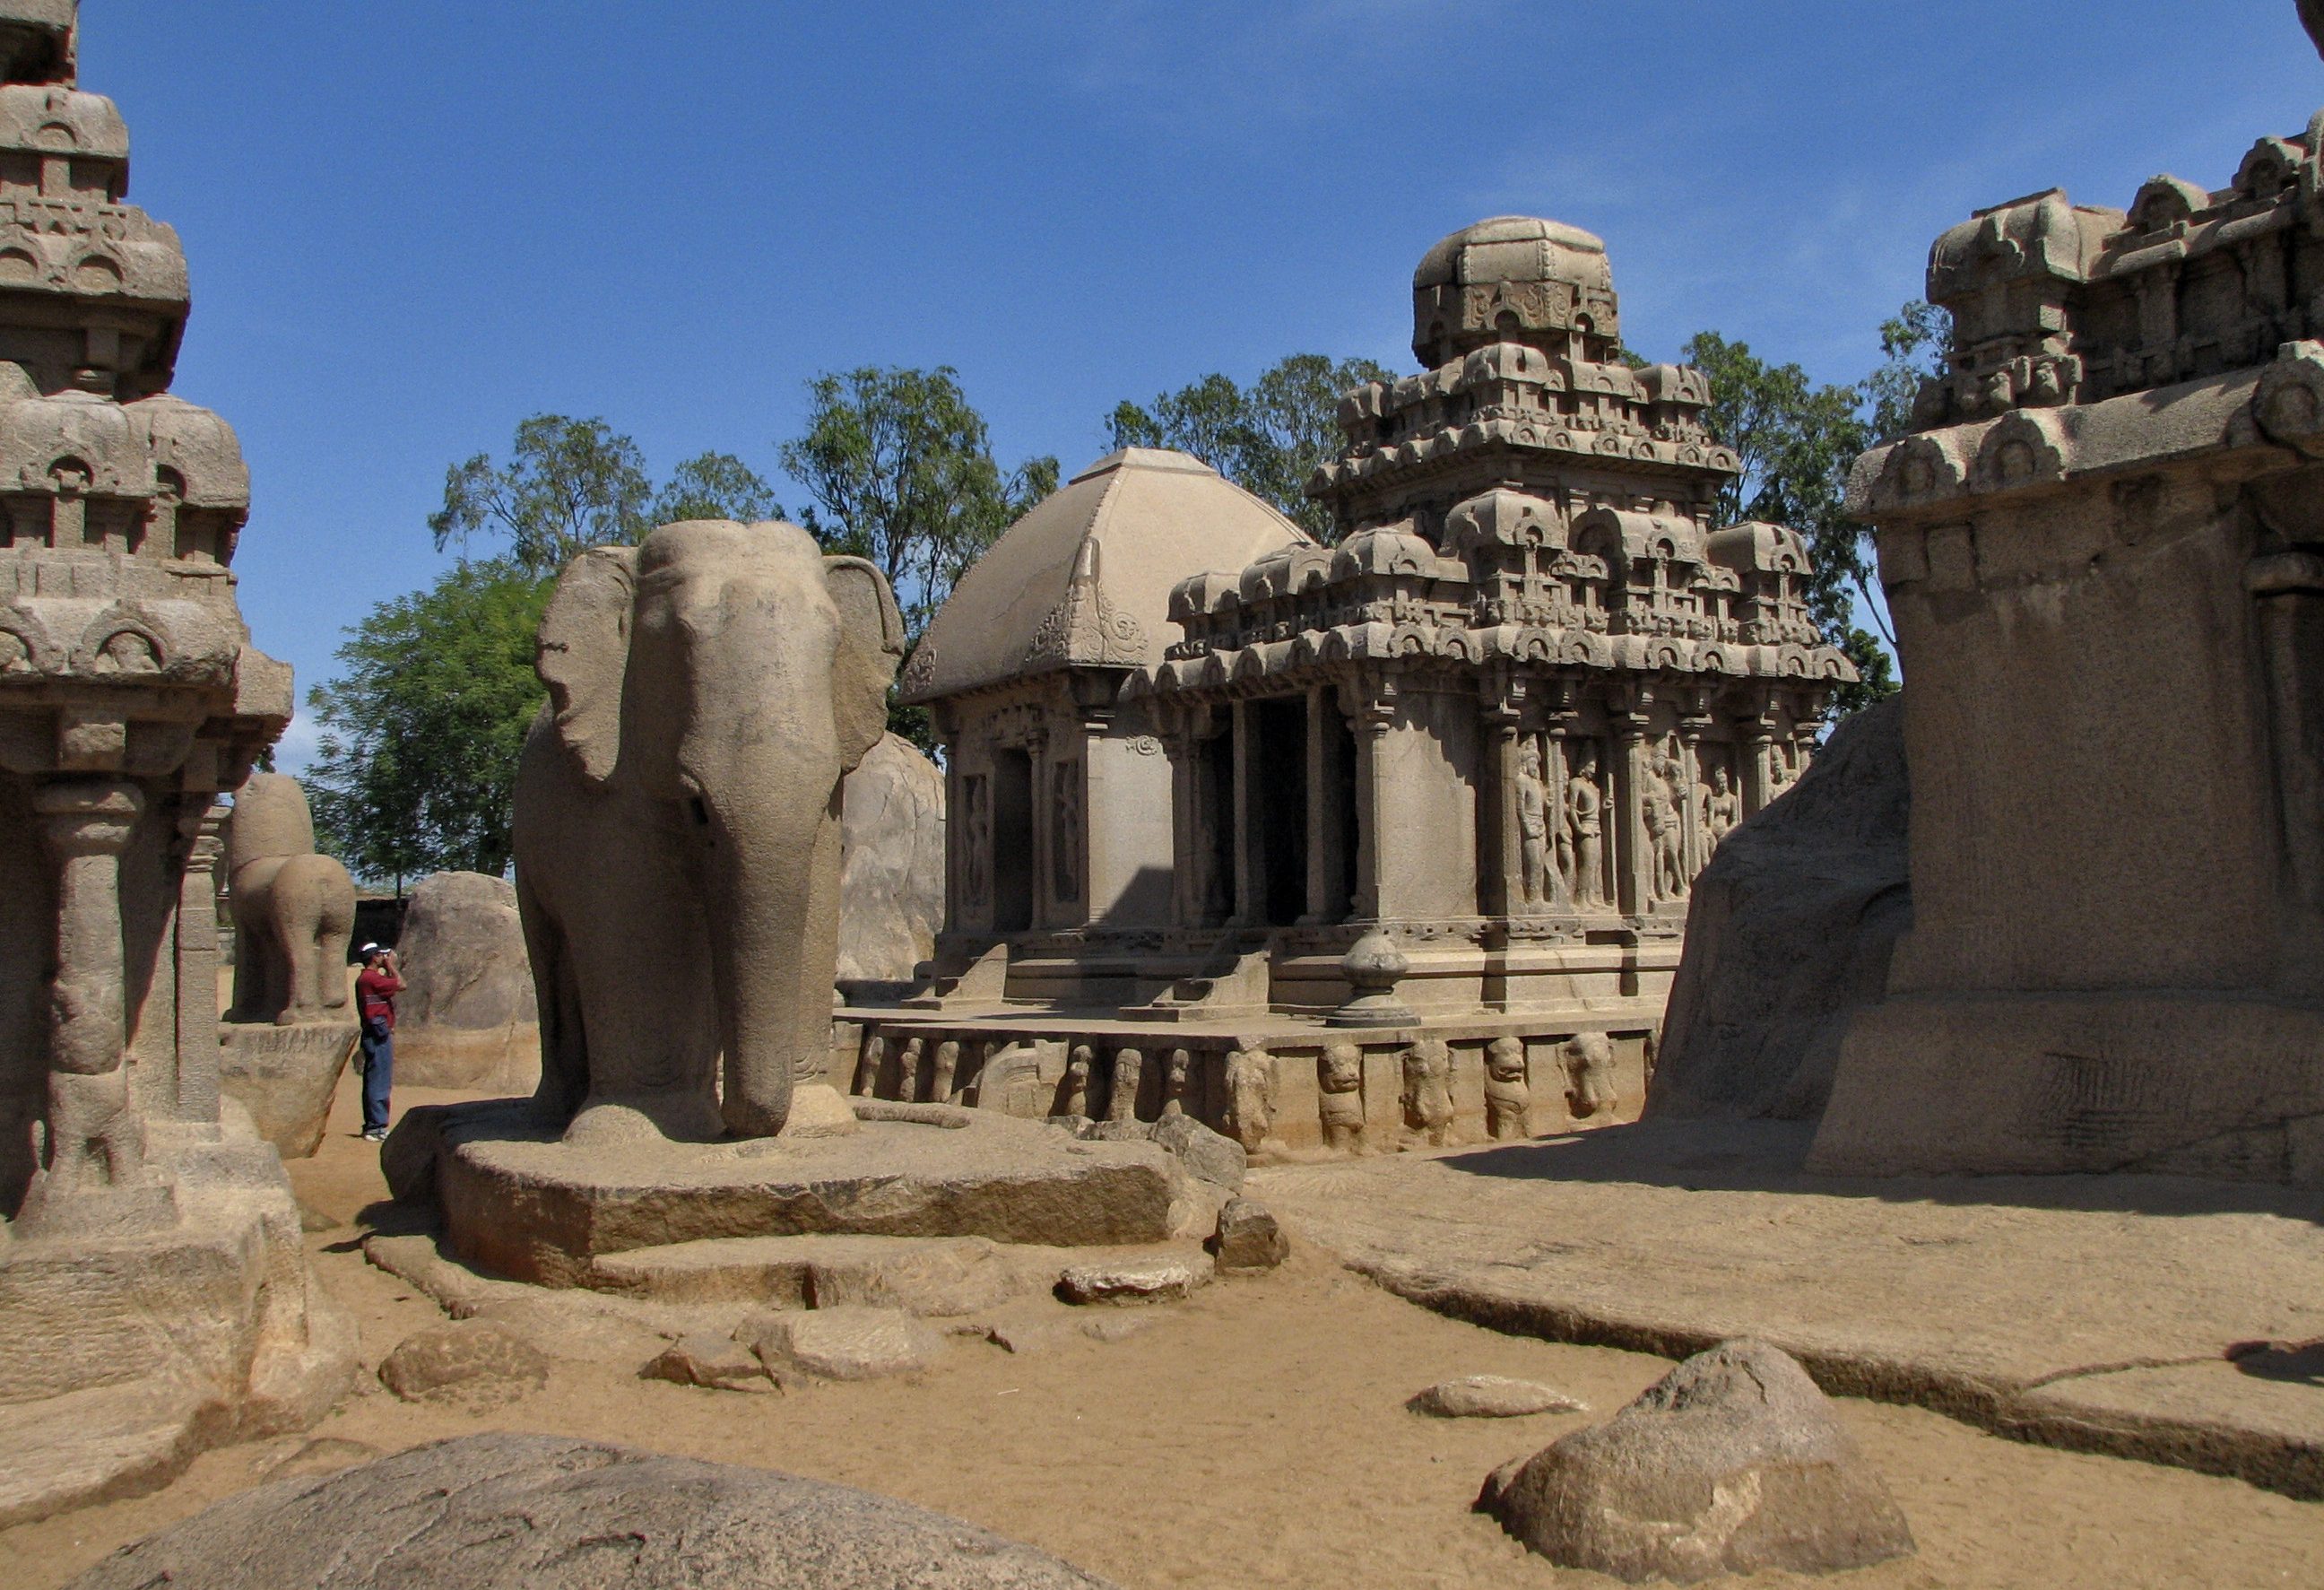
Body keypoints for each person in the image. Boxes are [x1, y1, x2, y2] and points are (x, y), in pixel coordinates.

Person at [354, 943, 404, 1142]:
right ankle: (376, 1127)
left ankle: (373, 1125)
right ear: (374, 957)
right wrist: (391, 966)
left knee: (375, 1079)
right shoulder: (371, 978)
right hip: (378, 1035)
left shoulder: (366, 979)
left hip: (374, 1033)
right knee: (379, 1081)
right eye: (381, 955)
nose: (384, 957)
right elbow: (401, 984)